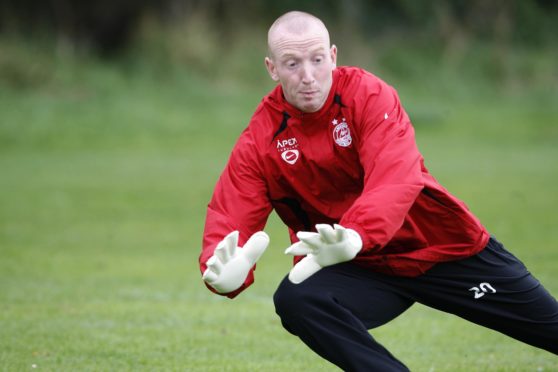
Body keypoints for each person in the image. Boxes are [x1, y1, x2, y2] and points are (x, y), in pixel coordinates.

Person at [199, 10, 558, 371]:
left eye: (317, 60)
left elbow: (395, 175)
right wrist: (223, 270)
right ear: (272, 68)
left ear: (334, 57)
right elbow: (232, 211)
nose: (307, 76)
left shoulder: (367, 95)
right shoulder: (262, 137)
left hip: (438, 247)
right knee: (297, 298)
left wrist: (357, 233)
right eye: (292, 64)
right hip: (360, 267)